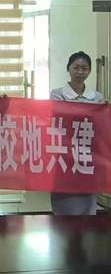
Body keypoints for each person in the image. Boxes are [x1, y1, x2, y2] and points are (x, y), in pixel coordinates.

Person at [50, 51, 104, 215]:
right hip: (65, 155)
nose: (80, 72)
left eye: (84, 68)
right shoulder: (57, 94)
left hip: (89, 156)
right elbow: (62, 118)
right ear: (69, 69)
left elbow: (100, 127)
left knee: (88, 209)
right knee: (65, 209)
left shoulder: (97, 97)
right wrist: (92, 111)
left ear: (89, 71)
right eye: (76, 67)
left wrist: (104, 110)